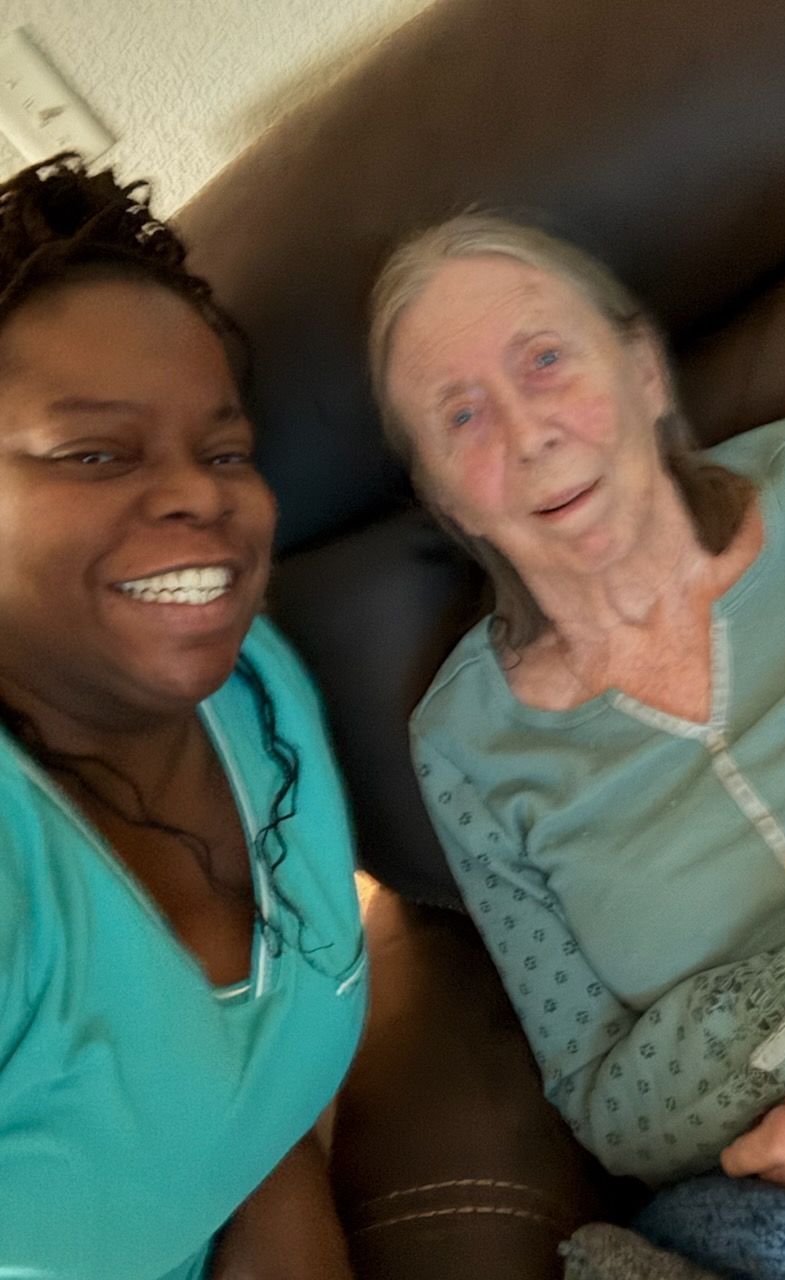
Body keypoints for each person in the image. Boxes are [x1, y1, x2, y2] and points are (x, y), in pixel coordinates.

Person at [367, 212, 785, 1277]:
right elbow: (612, 1106)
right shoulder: (465, 748)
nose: (529, 431)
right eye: (463, 416)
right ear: (445, 498)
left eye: (546, 359)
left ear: (642, 365)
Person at [0, 154, 365, 1280]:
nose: (203, 494)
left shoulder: (258, 682)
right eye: (94, 452)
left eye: (225, 451)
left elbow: (253, 1128)